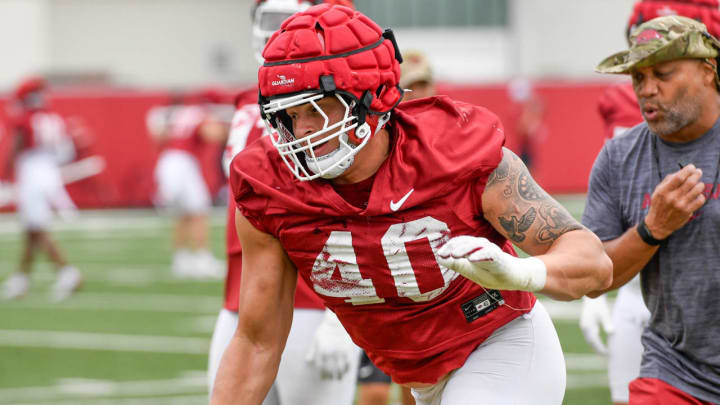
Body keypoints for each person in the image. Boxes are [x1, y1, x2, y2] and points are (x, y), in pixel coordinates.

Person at [210, 4, 612, 405]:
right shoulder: (269, 186)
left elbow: (593, 263)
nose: (303, 132)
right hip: (418, 380)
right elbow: (256, 342)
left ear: (367, 98)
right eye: (289, 115)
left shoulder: (452, 151)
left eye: (318, 109)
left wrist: (520, 272)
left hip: (498, 345)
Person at [207, 1, 361, 404]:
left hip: (312, 297)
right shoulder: (247, 100)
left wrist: (340, 315)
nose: (274, 30)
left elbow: (357, 199)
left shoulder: (335, 105)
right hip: (241, 298)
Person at [580, 2, 720, 405]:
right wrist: (652, 228)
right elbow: (595, 277)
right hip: (675, 370)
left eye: (663, 73)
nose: (647, 89)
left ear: (708, 70)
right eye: (638, 77)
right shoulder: (619, 157)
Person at [355, 48, 437, 405]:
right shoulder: (373, 139)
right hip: (374, 279)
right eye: (410, 86)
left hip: (423, 277)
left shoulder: (446, 138)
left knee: (418, 384)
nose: (417, 93)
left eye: (423, 84)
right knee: (373, 392)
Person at [0, 77, 83, 301]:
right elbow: (66, 153)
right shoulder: (53, 118)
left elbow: (15, 148)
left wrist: (4, 176)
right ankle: (20, 279)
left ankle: (67, 272)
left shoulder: (25, 119)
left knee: (36, 227)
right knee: (30, 229)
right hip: (49, 171)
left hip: (32, 173)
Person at [147, 89, 230, 279]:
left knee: (183, 214)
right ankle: (202, 258)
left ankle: (181, 259)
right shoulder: (200, 114)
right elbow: (213, 134)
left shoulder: (180, 112)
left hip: (168, 160)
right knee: (199, 211)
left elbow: (162, 136)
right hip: (183, 163)